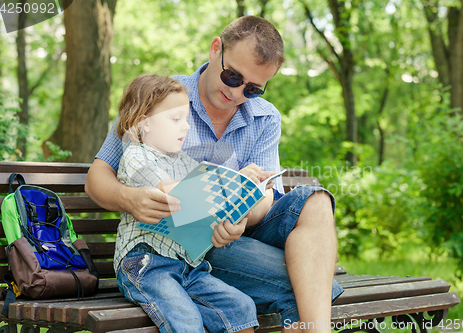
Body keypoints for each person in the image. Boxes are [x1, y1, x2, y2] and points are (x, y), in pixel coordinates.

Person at [86, 16, 343, 332]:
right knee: (316, 286)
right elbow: (97, 176)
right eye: (233, 76)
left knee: (315, 201)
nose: (237, 94)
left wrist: (240, 217)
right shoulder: (161, 98)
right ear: (215, 49)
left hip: (237, 238)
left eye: (252, 89)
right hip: (184, 251)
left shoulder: (265, 118)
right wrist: (130, 198)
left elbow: (264, 201)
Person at [112, 74, 263, 332]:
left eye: (186, 119)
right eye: (175, 119)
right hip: (146, 265)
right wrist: (220, 186)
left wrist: (242, 184)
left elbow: (210, 193)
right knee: (186, 320)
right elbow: (174, 194)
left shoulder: (182, 161)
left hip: (189, 268)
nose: (186, 127)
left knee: (242, 306)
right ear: (143, 123)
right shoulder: (137, 156)